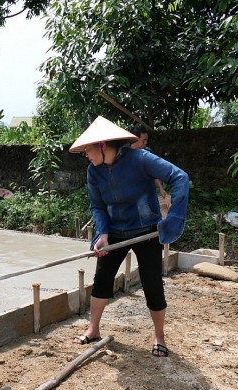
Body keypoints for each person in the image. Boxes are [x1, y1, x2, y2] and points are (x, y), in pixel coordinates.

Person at [69, 116, 189, 357]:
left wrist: (173, 218)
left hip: (146, 231)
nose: (85, 155)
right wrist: (102, 233)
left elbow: (180, 178)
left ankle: (159, 336)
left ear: (102, 145)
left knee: (152, 283)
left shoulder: (141, 159)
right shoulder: (94, 172)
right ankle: (93, 329)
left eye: (87, 149)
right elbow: (98, 207)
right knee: (102, 279)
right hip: (114, 232)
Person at [130, 125, 168, 200]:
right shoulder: (124, 153)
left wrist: (161, 188)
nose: (146, 143)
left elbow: (154, 173)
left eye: (147, 140)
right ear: (135, 139)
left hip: (148, 194)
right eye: (144, 140)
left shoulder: (148, 152)